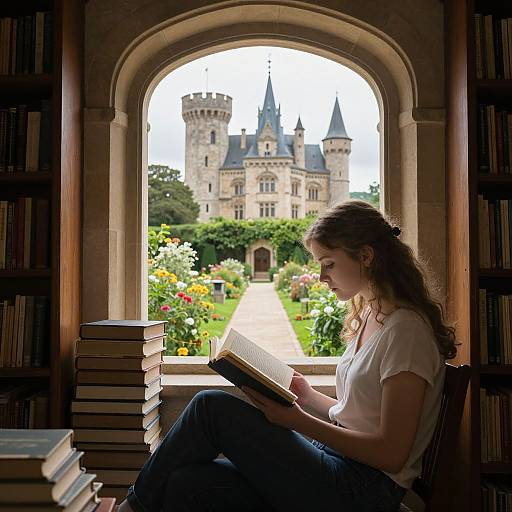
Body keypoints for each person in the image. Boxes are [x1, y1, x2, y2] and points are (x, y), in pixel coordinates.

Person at [117, 200, 459, 512]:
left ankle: (128, 510)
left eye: (329, 264)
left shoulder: (406, 332)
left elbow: (391, 453)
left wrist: (298, 420)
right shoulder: (373, 315)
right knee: (186, 484)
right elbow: (358, 415)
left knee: (210, 407)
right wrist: (307, 395)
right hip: (338, 466)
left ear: (366, 256)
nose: (322, 278)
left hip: (361, 491)